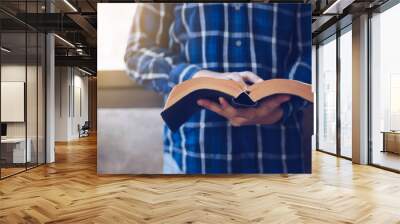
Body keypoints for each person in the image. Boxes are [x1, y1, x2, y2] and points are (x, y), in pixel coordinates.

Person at [125, 3, 311, 174]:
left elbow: (312, 50)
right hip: (189, 159)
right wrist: (195, 78)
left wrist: (283, 107)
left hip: (280, 154)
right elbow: (138, 53)